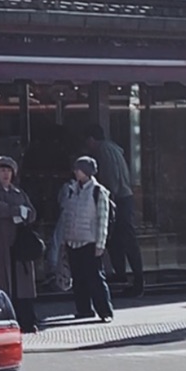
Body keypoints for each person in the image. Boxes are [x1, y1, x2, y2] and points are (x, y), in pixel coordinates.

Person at [85, 123, 144, 297]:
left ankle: (137, 281)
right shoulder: (114, 149)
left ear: (91, 140)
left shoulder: (104, 151)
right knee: (117, 239)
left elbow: (111, 179)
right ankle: (122, 275)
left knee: (125, 239)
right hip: (123, 197)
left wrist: (107, 199)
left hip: (118, 199)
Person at [0, 155, 39, 332]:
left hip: (19, 244)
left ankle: (27, 320)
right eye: (2, 171)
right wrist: (15, 211)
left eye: (8, 171)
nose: (5, 174)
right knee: (1, 280)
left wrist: (24, 213)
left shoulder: (19, 192)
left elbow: (32, 213)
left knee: (22, 284)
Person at [57, 155, 114, 322]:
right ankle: (84, 309)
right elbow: (66, 215)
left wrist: (100, 243)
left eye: (79, 169)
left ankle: (105, 311)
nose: (76, 172)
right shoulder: (71, 190)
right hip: (72, 240)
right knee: (78, 277)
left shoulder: (98, 191)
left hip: (90, 240)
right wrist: (63, 240)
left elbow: (103, 219)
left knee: (95, 278)